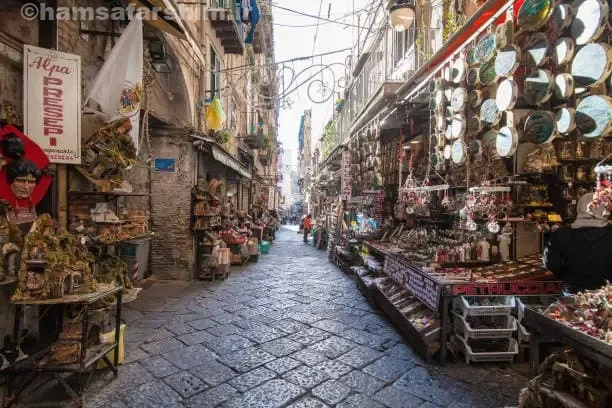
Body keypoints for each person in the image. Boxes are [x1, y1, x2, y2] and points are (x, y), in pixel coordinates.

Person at [543, 192, 612, 293]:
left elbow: (551, 265)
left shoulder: (561, 233)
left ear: (579, 208)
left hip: (572, 291)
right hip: (606, 295)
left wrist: (568, 275)